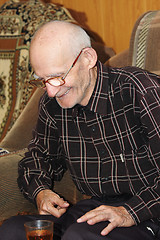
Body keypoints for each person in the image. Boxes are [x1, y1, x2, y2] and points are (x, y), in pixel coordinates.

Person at [0, 20, 160, 240]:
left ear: (88, 58)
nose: (51, 91)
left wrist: (130, 212)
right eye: (43, 80)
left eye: (57, 76)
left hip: (148, 213)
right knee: (13, 231)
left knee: (80, 235)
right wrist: (41, 192)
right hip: (93, 210)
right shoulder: (53, 105)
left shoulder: (140, 91)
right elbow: (38, 158)